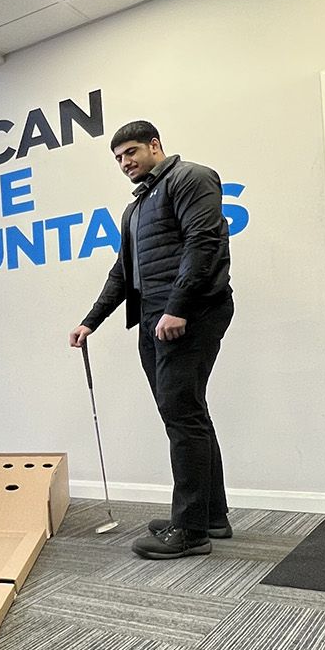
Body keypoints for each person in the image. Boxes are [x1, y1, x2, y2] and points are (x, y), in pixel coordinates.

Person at [69, 119, 233, 559]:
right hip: (154, 320)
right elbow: (123, 273)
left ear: (155, 145)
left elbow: (204, 244)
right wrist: (91, 321)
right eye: (119, 158)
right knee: (187, 413)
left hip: (189, 313)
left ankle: (191, 531)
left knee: (182, 415)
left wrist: (177, 307)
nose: (125, 163)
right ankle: (209, 516)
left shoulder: (190, 178)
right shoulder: (136, 207)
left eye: (132, 153)